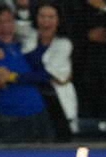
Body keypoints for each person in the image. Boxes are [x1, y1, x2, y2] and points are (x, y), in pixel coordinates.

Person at [0, 1, 53, 143]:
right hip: (10, 121)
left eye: (8, 21)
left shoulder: (23, 46)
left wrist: (12, 77)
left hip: (40, 117)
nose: (5, 27)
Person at [63, 0, 106, 129]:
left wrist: (105, 9)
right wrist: (87, 36)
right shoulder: (70, 6)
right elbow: (63, 33)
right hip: (81, 71)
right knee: (84, 120)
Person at [21, 0, 76, 139]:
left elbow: (46, 75)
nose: (46, 21)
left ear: (58, 20)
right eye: (42, 16)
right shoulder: (27, 35)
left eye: (51, 17)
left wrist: (14, 77)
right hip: (30, 96)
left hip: (54, 98)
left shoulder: (64, 44)